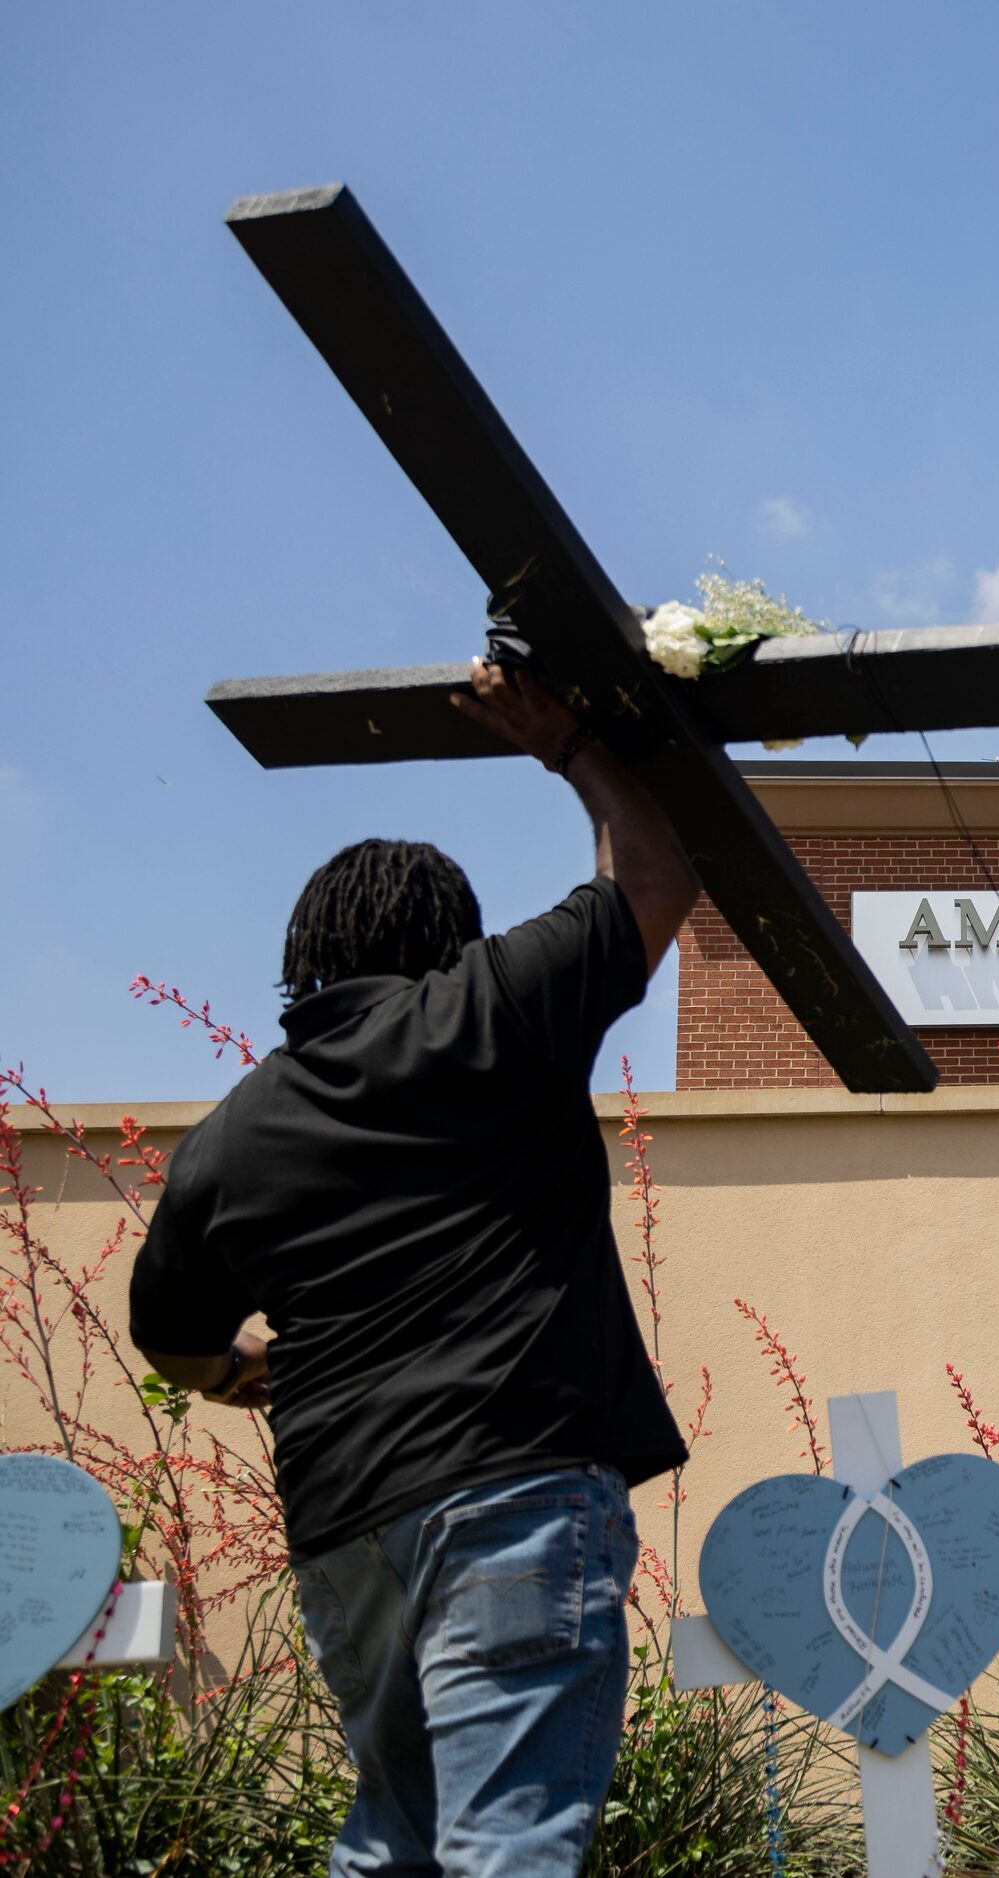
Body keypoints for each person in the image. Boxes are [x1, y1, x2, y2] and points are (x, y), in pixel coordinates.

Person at [127, 660, 700, 1878]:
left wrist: (245, 1371)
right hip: (508, 1492)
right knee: (506, 1844)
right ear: (447, 939)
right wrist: (572, 749)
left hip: (344, 1525)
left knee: (394, 1836)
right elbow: (654, 878)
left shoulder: (231, 1133)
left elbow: (169, 1334)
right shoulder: (489, 1008)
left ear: (308, 957)